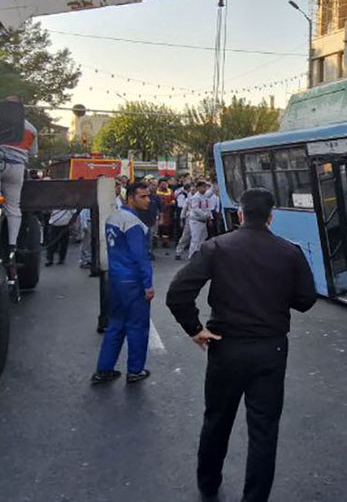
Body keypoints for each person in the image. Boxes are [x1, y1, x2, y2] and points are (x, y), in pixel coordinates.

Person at [166, 188, 316, 502]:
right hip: (270, 350)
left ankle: (208, 485)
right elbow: (305, 300)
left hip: (225, 347)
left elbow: (178, 292)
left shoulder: (217, 247)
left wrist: (195, 329)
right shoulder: (289, 252)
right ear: (272, 217)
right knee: (263, 430)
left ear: (240, 215)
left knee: (217, 420)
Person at [91, 182, 155, 384]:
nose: (148, 200)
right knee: (137, 326)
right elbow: (140, 257)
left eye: (148, 196)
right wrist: (148, 284)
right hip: (132, 281)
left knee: (116, 325)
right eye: (143, 197)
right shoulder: (133, 223)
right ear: (131, 199)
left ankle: (104, 369)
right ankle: (135, 370)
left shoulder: (113, 217)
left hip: (116, 279)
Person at [0, 98, 37, 264]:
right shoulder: (31, 128)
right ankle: (12, 245)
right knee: (14, 208)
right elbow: (33, 153)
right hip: (16, 168)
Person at [177, 181, 213, 260]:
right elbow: (195, 209)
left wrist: (210, 218)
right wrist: (181, 218)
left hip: (203, 221)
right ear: (198, 188)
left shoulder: (205, 196)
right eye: (203, 187)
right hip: (195, 220)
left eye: (205, 187)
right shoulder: (195, 197)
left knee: (203, 239)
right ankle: (191, 256)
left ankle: (199, 255)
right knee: (194, 239)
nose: (204, 189)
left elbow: (208, 208)